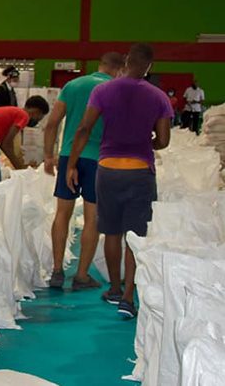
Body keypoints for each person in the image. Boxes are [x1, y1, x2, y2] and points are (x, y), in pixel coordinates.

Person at [66, 43, 172, 319]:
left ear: (126, 61)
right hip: (140, 171)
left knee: (111, 232)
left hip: (108, 169)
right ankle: (127, 298)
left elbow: (84, 128)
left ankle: (113, 288)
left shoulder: (103, 91)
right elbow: (163, 140)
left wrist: (72, 163)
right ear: (149, 67)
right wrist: (145, 142)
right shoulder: (159, 97)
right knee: (134, 236)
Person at [43, 52, 124, 291]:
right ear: (119, 70)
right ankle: (81, 275)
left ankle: (57, 270)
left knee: (62, 213)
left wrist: (49, 155)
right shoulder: (117, 90)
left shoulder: (73, 85)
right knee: (93, 218)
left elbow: (52, 123)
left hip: (70, 156)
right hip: (100, 159)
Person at [0, 96, 50, 184]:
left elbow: (6, 142)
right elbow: (6, 145)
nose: (37, 121)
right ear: (37, 112)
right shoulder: (24, 116)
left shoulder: (14, 112)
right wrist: (21, 168)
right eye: (39, 118)